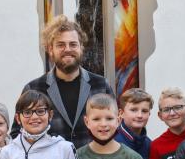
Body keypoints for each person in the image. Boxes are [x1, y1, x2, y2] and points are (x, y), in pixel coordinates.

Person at [14, 14, 113, 149]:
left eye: (73, 44)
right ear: (50, 49)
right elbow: (17, 134)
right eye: (61, 45)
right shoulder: (34, 88)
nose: (67, 49)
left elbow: (116, 127)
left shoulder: (101, 85)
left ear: (81, 47)